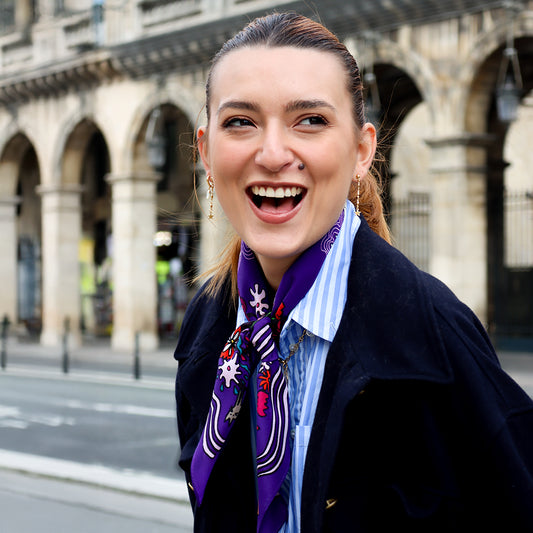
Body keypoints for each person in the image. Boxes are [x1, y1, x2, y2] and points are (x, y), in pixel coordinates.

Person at [174, 12, 533, 533]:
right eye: (241, 122)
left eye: (311, 121)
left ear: (361, 151)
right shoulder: (210, 322)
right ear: (206, 151)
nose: (273, 154)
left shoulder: (436, 335)